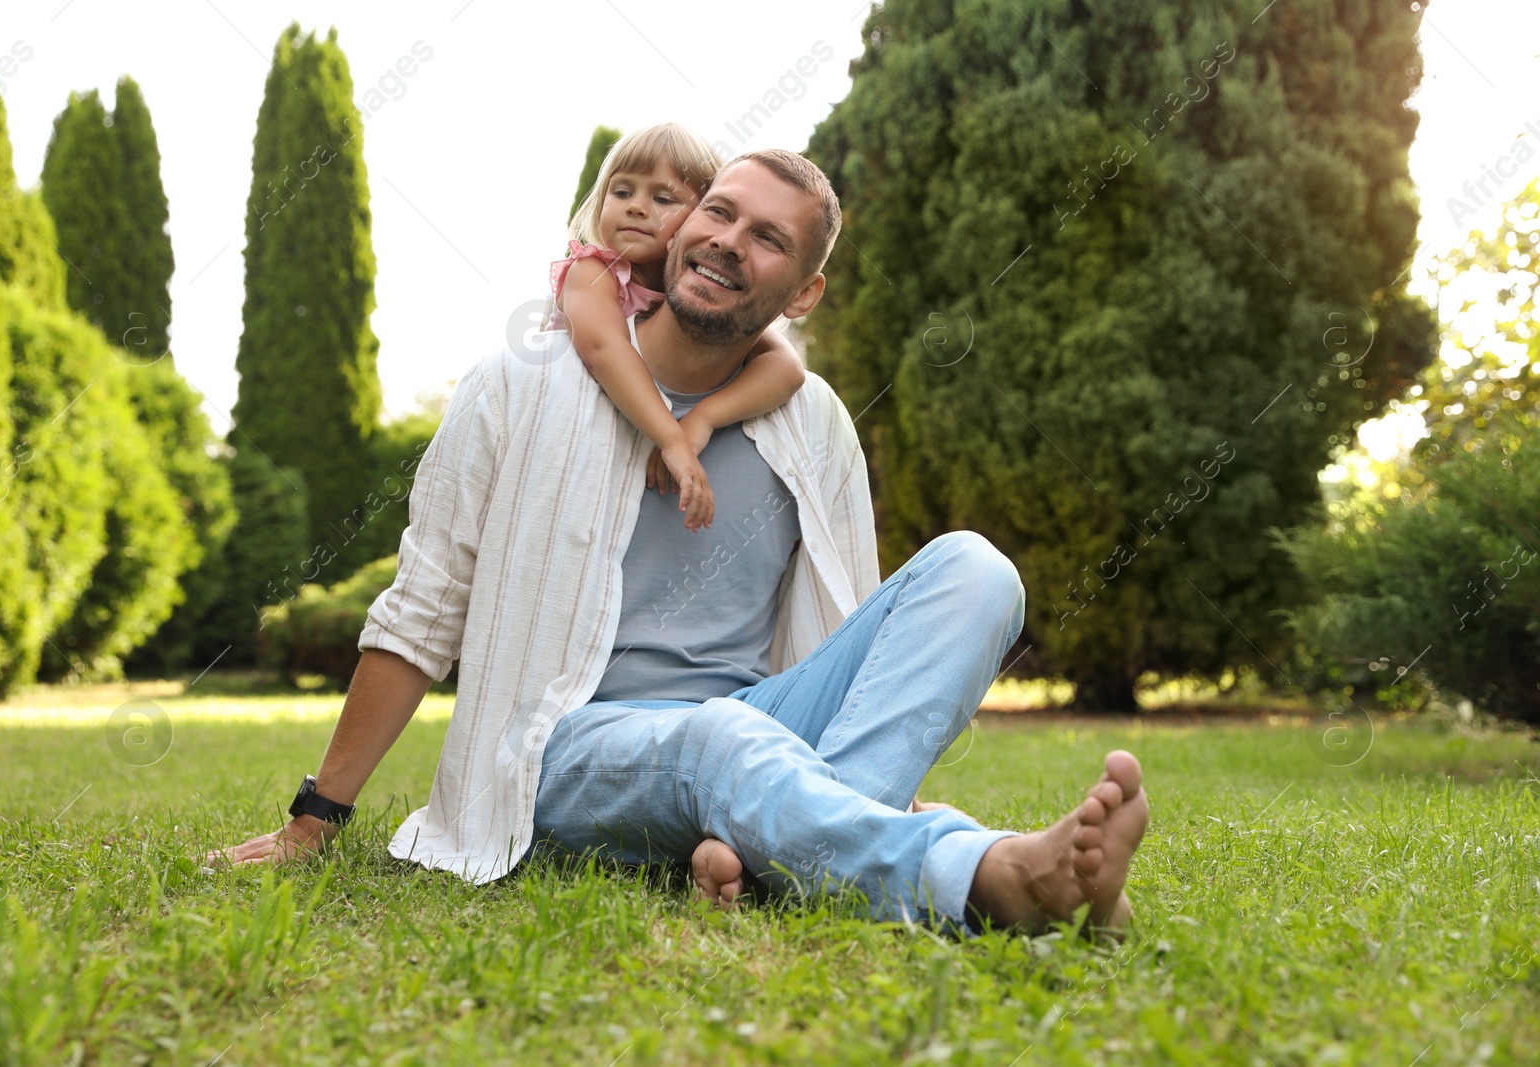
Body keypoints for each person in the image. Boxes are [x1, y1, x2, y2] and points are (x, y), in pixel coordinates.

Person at [210, 148, 1148, 936]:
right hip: (559, 752)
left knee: (976, 572)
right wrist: (317, 816)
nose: (729, 244)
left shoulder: (811, 419)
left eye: (769, 238)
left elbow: (850, 634)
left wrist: (847, 773)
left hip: (750, 725)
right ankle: (986, 878)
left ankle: (778, 854)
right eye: (721, 212)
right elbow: (422, 610)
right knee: (723, 734)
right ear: (684, 223)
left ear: (806, 291)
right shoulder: (520, 382)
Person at [549, 123, 806, 532]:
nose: (635, 206)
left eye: (663, 198)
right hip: (565, 448)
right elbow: (605, 350)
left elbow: (787, 367)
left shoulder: (693, 294)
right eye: (621, 191)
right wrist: (672, 440)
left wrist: (702, 419)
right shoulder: (592, 271)